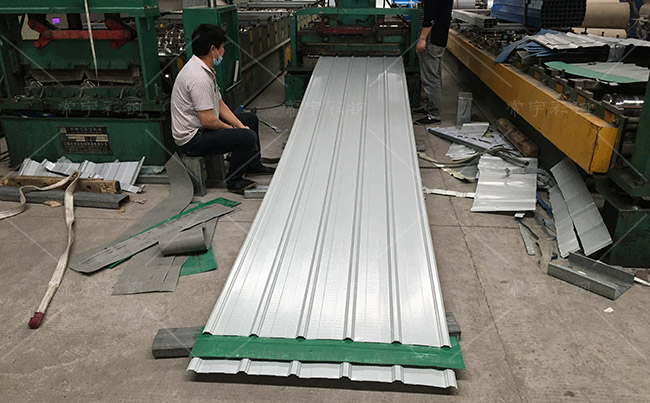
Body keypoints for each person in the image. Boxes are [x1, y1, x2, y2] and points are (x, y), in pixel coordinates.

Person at [171, 24, 275, 194]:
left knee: (250, 120)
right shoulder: (198, 77)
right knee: (246, 137)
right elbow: (208, 120)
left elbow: (219, 104)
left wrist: (240, 126)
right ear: (213, 50)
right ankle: (233, 181)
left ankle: (253, 165)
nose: (223, 51)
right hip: (193, 139)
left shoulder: (204, 69)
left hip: (202, 127)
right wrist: (234, 130)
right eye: (222, 47)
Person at [415, 0, 453, 126]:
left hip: (431, 41)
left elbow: (430, 17)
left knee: (430, 79)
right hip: (439, 39)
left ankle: (434, 115)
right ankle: (430, 107)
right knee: (435, 76)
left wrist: (422, 39)